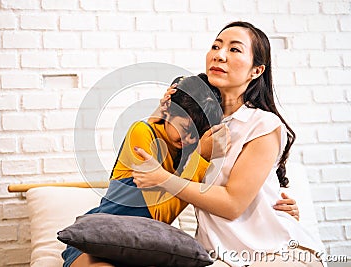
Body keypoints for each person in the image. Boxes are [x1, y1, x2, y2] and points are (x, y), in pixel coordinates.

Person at [132, 21, 324, 266]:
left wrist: (162, 178)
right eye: (215, 46)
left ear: (256, 70)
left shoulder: (262, 124)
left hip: (273, 252)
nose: (219, 55)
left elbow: (233, 204)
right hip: (216, 255)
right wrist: (163, 109)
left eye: (234, 49)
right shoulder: (194, 121)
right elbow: (149, 167)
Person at [62, 75, 224, 267]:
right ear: (168, 112)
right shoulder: (141, 132)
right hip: (100, 240)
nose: (187, 138)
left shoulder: (186, 156)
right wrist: (201, 158)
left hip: (143, 246)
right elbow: (160, 215)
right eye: (184, 128)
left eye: (195, 134)